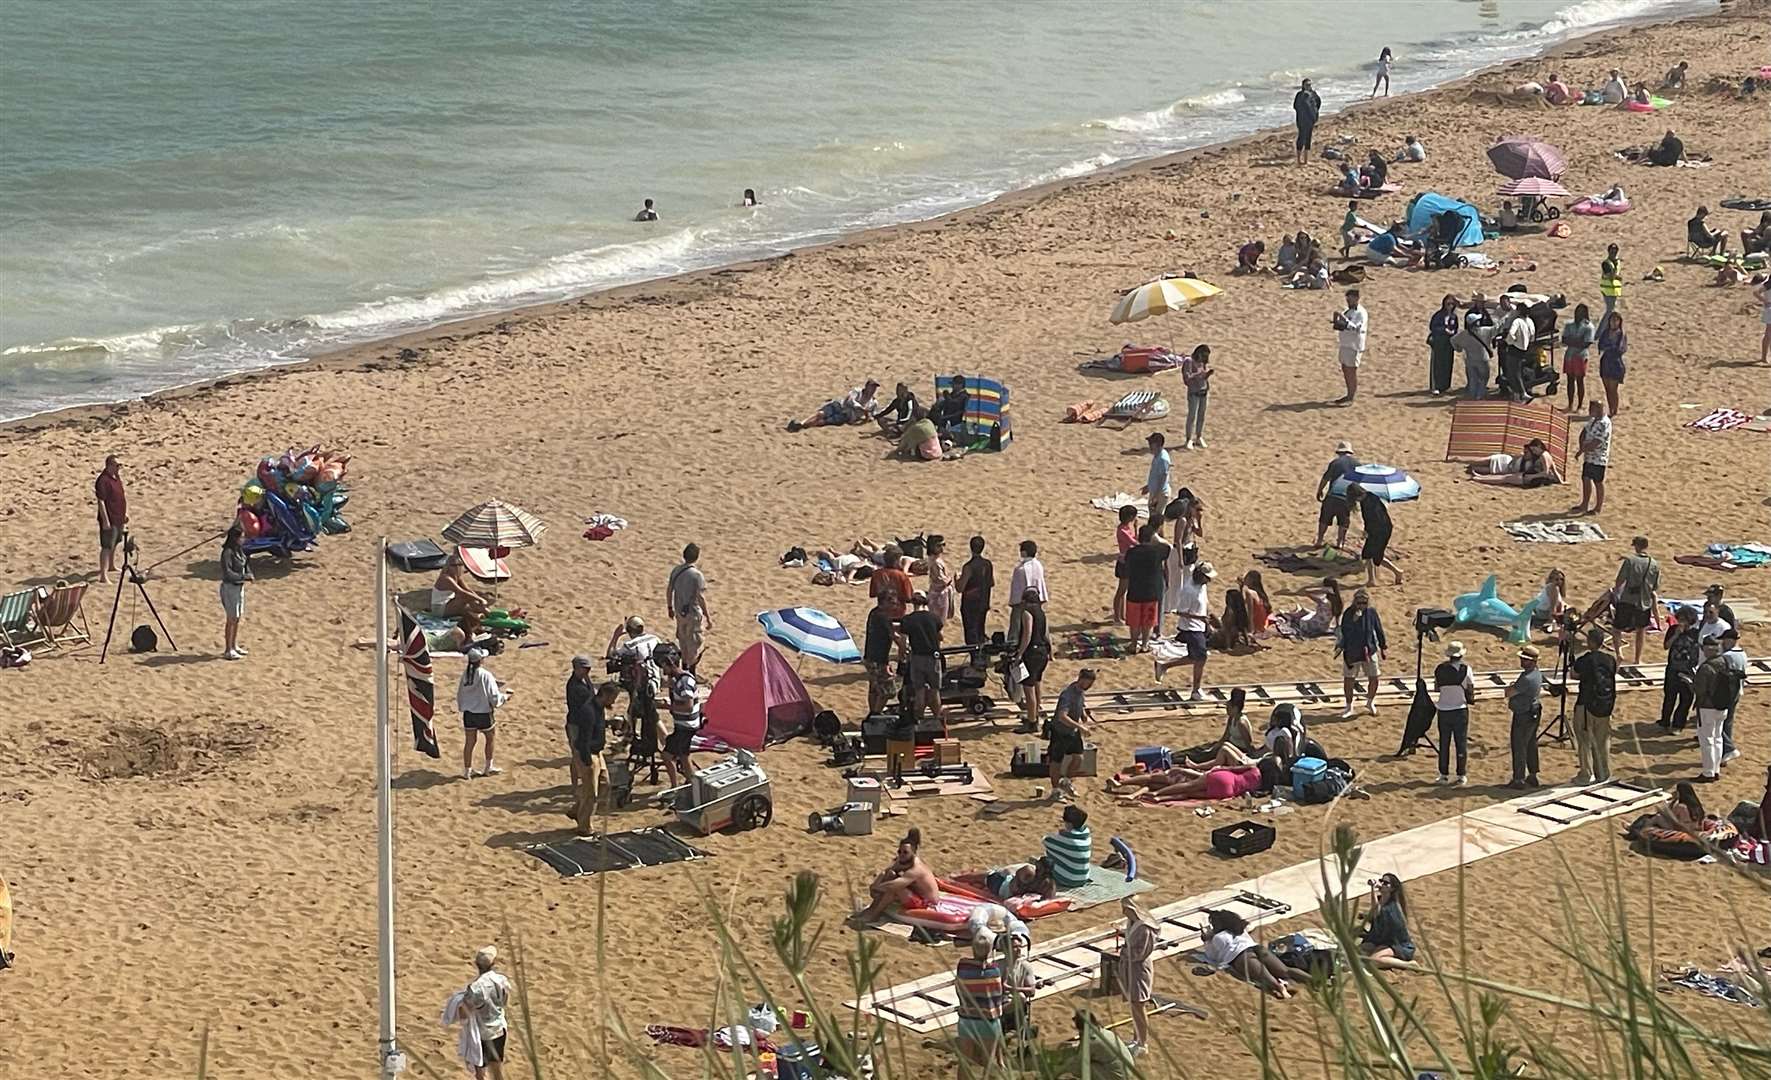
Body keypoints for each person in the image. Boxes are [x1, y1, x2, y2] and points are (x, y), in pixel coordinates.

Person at [1202, 908, 1310, 999]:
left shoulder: (1217, 938)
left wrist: (1206, 940)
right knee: (1285, 970)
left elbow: (1214, 956)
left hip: (1241, 955)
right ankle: (1314, 980)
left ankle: (1279, 988)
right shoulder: (1239, 929)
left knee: (1264, 975)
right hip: (1256, 948)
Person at [567, 668, 617, 836]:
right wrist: (587, 761)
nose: (614, 702)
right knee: (591, 794)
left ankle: (576, 810)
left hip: (598, 752)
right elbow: (582, 740)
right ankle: (584, 827)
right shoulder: (588, 711)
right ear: (605, 695)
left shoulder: (599, 708)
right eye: (613, 698)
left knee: (605, 784)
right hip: (588, 754)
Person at [864, 546, 913, 715]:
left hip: (872, 650)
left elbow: (872, 593)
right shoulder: (901, 576)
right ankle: (876, 713)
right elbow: (907, 596)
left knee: (874, 685)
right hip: (898, 616)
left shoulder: (877, 575)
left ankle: (873, 710)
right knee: (887, 685)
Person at [856, 828, 939, 921]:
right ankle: (871, 909)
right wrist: (877, 882)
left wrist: (876, 887)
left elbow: (893, 886)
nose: (901, 855)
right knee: (890, 874)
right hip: (916, 894)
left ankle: (874, 915)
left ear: (913, 852)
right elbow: (887, 871)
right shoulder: (903, 860)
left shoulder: (916, 869)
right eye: (899, 852)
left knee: (894, 889)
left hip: (927, 903)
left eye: (905, 852)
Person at [1569, 628, 1617, 784]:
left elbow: (1574, 675)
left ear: (1590, 642)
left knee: (1584, 740)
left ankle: (1585, 774)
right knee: (1602, 741)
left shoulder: (1587, 659)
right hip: (1606, 704)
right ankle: (1603, 773)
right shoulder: (1610, 659)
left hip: (1587, 703)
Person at [457, 946, 513, 1080]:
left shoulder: (475, 988)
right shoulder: (502, 980)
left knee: (480, 1070)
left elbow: (464, 1013)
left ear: (477, 965)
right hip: (499, 1028)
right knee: (497, 1066)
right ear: (493, 964)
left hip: (482, 1033)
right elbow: (506, 1001)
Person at [1166, 560, 1216, 701]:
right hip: (1190, 627)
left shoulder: (1202, 586)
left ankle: (1165, 665)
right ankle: (1196, 690)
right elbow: (1181, 612)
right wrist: (1200, 617)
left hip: (1200, 625)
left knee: (1196, 657)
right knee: (1201, 657)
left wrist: (1208, 619)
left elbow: (1205, 602)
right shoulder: (1188, 590)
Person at [457, 647, 506, 780]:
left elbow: (461, 694)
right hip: (483, 713)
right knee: (490, 738)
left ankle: (467, 771)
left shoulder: (466, 674)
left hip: (469, 713)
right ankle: (488, 767)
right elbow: (494, 697)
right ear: (481, 660)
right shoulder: (485, 674)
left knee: (469, 742)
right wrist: (504, 698)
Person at [1119, 897, 1160, 1056]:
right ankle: (1136, 1038)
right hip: (1131, 966)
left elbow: (1140, 953)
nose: (1123, 911)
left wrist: (1123, 953)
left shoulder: (1145, 928)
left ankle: (1143, 1043)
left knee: (1139, 1004)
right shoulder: (1133, 922)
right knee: (1133, 1004)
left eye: (1126, 908)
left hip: (1139, 968)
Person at [1047, 670, 1096, 802]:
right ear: (1081, 679)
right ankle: (1055, 790)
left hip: (1073, 732)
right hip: (1060, 731)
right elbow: (1062, 716)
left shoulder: (1080, 692)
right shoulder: (1067, 695)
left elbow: (1081, 705)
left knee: (1078, 758)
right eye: (1088, 682)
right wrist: (1080, 727)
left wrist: (1084, 715)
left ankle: (1066, 782)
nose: (1089, 686)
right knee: (1056, 761)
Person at [1337, 587, 1386, 718]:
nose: (1361, 605)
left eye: (1364, 603)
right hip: (1352, 651)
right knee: (1349, 679)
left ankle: (1370, 702)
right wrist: (1354, 620)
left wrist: (1383, 646)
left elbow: (1378, 628)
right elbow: (1345, 631)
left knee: (1374, 677)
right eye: (1359, 602)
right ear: (1354, 602)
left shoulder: (1371, 612)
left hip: (1369, 650)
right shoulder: (1349, 613)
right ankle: (1349, 706)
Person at [1693, 635, 1737, 783]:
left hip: (1707, 707)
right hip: (1723, 705)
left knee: (1707, 741)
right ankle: (1715, 769)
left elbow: (1699, 690)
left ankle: (1708, 772)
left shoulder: (1706, 667)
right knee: (1718, 738)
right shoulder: (1725, 661)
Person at [1433, 641, 1476, 785]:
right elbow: (1470, 688)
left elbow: (1437, 688)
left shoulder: (1440, 669)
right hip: (1460, 709)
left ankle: (1443, 774)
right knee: (1460, 742)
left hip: (1444, 709)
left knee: (1444, 743)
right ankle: (1461, 774)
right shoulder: (1466, 669)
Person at [1612, 535, 1661, 663]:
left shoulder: (1630, 561)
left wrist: (1617, 593)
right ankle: (1637, 659)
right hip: (1644, 602)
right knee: (1640, 631)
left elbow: (1619, 581)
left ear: (1637, 546)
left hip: (1628, 600)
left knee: (1617, 629)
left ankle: (1619, 653)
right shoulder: (1654, 564)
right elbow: (1655, 586)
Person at [900, 591, 945, 733]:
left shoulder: (908, 620)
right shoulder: (934, 618)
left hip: (917, 657)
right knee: (934, 690)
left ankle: (918, 721)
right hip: (933, 657)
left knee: (919, 691)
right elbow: (940, 637)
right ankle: (938, 720)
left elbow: (903, 640)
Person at [1122, 523, 1169, 654]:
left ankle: (1133, 644)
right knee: (1148, 620)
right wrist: (1156, 539)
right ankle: (1144, 644)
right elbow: (1168, 548)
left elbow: (1127, 563)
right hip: (1151, 589)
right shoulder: (1156, 552)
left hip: (1135, 588)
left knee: (1134, 621)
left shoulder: (1132, 552)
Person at [665, 543, 711, 673]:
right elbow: (700, 597)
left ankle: (684, 668)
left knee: (683, 640)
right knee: (694, 643)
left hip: (679, 612)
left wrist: (669, 607)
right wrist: (708, 616)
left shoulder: (676, 570)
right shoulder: (697, 575)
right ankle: (691, 672)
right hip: (693, 613)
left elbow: (669, 590)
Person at [1012, 587, 1052, 732]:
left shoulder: (1027, 613)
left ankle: (1032, 722)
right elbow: (1047, 633)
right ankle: (1035, 714)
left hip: (1032, 653)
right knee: (1037, 684)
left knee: (1028, 689)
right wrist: (1051, 651)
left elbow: (1027, 635)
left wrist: (1019, 654)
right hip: (1043, 652)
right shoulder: (1041, 613)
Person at [1347, 482, 1402, 587]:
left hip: (1380, 530)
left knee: (1368, 555)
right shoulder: (1370, 497)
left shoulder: (1369, 503)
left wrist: (1368, 531)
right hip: (1383, 528)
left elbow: (1373, 519)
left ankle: (1373, 580)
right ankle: (1396, 572)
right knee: (1375, 556)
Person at [1506, 645, 1545, 789]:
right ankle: (1532, 774)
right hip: (1533, 711)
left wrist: (1509, 689)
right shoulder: (1536, 673)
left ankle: (1519, 779)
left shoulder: (1527, 678)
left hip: (1524, 713)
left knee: (1519, 745)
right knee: (1530, 743)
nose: (1522, 661)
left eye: (1525, 659)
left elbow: (1510, 693)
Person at [1359, 874, 1416, 969]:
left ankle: (1408, 965)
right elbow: (1375, 912)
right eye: (1381, 881)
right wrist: (1373, 889)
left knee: (1374, 961)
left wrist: (1373, 889)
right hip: (1380, 940)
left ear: (1392, 889)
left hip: (1396, 944)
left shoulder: (1392, 908)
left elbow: (1377, 912)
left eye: (1386, 883)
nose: (1382, 884)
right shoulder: (1381, 900)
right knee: (1359, 950)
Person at [1658, 606, 1701, 733]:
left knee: (1686, 699)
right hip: (1672, 668)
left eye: (1685, 620)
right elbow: (1666, 646)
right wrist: (1676, 634)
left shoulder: (1695, 634)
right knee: (1669, 697)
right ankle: (1665, 721)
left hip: (1687, 671)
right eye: (1680, 619)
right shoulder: (1673, 630)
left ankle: (1678, 724)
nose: (1682, 622)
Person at [1315, 441, 1360, 549]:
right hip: (1347, 498)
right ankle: (1340, 542)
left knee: (1324, 518)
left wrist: (1320, 490)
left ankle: (1320, 540)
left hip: (1332, 496)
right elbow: (1359, 483)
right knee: (1343, 521)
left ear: (1339, 452)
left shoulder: (1335, 463)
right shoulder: (1358, 465)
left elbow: (1326, 478)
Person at [788, 379, 880, 431]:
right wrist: (862, 409)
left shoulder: (873, 403)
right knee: (820, 414)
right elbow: (850, 400)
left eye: (874, 388)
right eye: (871, 387)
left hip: (846, 415)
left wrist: (866, 416)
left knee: (823, 421)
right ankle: (801, 423)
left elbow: (871, 416)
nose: (872, 390)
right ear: (866, 386)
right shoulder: (857, 391)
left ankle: (803, 426)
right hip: (839, 405)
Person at [1573, 399, 1612, 515]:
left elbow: (1597, 442)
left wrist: (1583, 449)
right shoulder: (1592, 420)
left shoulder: (1604, 423)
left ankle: (1598, 507)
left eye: (1592, 409)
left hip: (1599, 458)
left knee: (1598, 482)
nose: (1590, 411)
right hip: (1588, 456)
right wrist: (1581, 447)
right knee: (1585, 478)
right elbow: (1583, 432)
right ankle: (1584, 504)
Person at [219, 524, 252, 660]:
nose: (243, 539)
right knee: (231, 618)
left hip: (239, 587)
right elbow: (228, 573)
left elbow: (245, 564)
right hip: (230, 587)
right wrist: (243, 577)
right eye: (242, 537)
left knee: (237, 618)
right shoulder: (227, 553)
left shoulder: (239, 551)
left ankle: (234, 645)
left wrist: (249, 573)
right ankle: (228, 649)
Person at [1042, 804, 1093, 889]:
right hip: (1083, 878)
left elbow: (1046, 841)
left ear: (1069, 824)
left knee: (1045, 861)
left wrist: (1060, 834)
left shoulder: (1067, 839)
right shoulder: (1086, 835)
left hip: (1067, 879)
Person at [1007, 539, 1047, 646]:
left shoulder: (1020, 569)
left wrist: (1013, 603)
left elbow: (1016, 589)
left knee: (1016, 627)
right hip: (1036, 600)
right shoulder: (1039, 565)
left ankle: (1012, 647)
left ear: (1024, 552)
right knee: (1040, 625)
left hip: (1022, 602)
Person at [957, 535, 994, 649]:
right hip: (983, 600)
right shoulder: (987, 564)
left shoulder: (969, 567)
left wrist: (956, 579)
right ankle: (981, 654)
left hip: (971, 603)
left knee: (971, 632)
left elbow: (960, 588)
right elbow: (991, 582)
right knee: (980, 629)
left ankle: (975, 658)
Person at [1332, 289, 1369, 405]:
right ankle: (1348, 394)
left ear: (1357, 299)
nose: (1348, 301)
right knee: (1345, 368)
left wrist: (1343, 319)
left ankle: (1351, 397)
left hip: (1354, 346)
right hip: (1345, 344)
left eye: (1350, 299)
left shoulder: (1361, 313)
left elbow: (1356, 328)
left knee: (1351, 371)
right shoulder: (1349, 310)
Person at [94, 454, 127, 584]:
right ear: (110, 465)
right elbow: (101, 502)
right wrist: (105, 520)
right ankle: (103, 575)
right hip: (109, 517)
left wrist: (124, 514)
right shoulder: (103, 480)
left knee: (115, 542)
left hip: (119, 516)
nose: (119, 468)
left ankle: (112, 565)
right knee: (106, 545)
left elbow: (120, 497)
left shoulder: (116, 478)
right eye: (117, 465)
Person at [432, 552, 492, 618]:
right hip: (439, 609)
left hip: (449, 603)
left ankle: (484, 611)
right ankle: (487, 613)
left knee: (473, 597)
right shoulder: (445, 578)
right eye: (453, 565)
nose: (456, 567)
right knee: (465, 597)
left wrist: (478, 599)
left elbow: (468, 590)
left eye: (459, 565)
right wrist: (480, 599)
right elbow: (461, 592)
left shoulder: (457, 578)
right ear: (448, 566)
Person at [1560, 303, 1595, 412]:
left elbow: (1586, 343)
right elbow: (1564, 339)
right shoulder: (1569, 324)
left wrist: (1572, 341)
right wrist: (1577, 341)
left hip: (1580, 356)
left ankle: (1579, 405)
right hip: (1570, 355)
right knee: (1570, 380)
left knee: (1580, 381)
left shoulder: (1588, 327)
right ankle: (1570, 404)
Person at [1454, 306, 1496, 399]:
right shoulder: (1484, 331)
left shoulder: (1464, 334)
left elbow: (1453, 340)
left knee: (1473, 379)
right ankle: (1479, 396)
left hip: (1470, 360)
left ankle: (1473, 396)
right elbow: (1496, 328)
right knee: (1483, 378)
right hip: (1482, 360)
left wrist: (1458, 349)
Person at [1720, 626, 1747, 764]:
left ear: (1730, 640)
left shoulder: (1727, 656)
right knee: (1728, 722)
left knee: (1719, 723)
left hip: (1727, 693)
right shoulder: (1743, 654)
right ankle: (1724, 751)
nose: (1722, 643)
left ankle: (1729, 748)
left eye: (1724, 640)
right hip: (1738, 691)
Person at [1181, 344, 1213, 448]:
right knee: (1192, 416)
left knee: (1201, 416)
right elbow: (1187, 379)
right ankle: (1188, 439)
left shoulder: (1202, 363)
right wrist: (1198, 374)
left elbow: (1203, 377)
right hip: (1193, 393)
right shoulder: (1189, 362)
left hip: (1203, 391)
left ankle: (1199, 436)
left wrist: (1207, 374)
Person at [1110, 504, 1138, 624]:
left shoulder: (1127, 528)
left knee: (1124, 591)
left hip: (1129, 561)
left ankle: (1121, 614)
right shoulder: (1122, 530)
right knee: (1121, 591)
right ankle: (1117, 616)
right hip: (1124, 562)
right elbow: (1135, 543)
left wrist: (1135, 528)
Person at [1427, 294, 1460, 395]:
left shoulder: (1454, 316)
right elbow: (1433, 327)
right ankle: (1436, 386)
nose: (1450, 306)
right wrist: (1444, 330)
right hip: (1439, 342)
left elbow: (1456, 327)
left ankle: (1446, 385)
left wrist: (1453, 332)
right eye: (1448, 304)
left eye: (1452, 304)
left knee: (1448, 363)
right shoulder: (1439, 315)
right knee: (1438, 363)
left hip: (1449, 342)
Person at [1139, 431, 1172, 521]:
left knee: (1156, 519)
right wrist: (1148, 486)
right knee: (1154, 517)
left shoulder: (1162, 459)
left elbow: (1163, 478)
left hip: (1160, 493)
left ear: (1157, 444)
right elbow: (1155, 475)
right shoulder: (1157, 455)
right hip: (1156, 492)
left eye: (1151, 443)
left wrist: (1156, 496)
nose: (1149, 445)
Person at [925, 535, 955, 626]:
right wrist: (951, 579)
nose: (941, 548)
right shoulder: (936, 562)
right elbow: (941, 581)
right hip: (939, 595)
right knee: (939, 621)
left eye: (943, 545)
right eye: (939, 546)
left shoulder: (935, 559)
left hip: (937, 592)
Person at [1293, 78, 1321, 165]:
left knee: (1308, 138)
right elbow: (1295, 106)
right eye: (1307, 85)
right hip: (1301, 120)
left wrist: (1315, 114)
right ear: (1303, 86)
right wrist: (1302, 113)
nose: (1308, 87)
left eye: (1310, 85)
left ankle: (1305, 160)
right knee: (1301, 138)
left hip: (1310, 120)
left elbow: (1318, 102)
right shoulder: (1300, 95)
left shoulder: (1313, 94)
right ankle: (1298, 160)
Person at [1599, 243, 1623, 318]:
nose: (1613, 253)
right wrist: (1617, 277)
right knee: (1610, 312)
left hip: (1614, 290)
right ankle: (1601, 329)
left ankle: (1606, 328)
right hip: (1607, 289)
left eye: (1615, 251)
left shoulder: (1617, 262)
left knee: (1612, 311)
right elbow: (1611, 276)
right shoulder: (1606, 263)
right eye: (1612, 251)